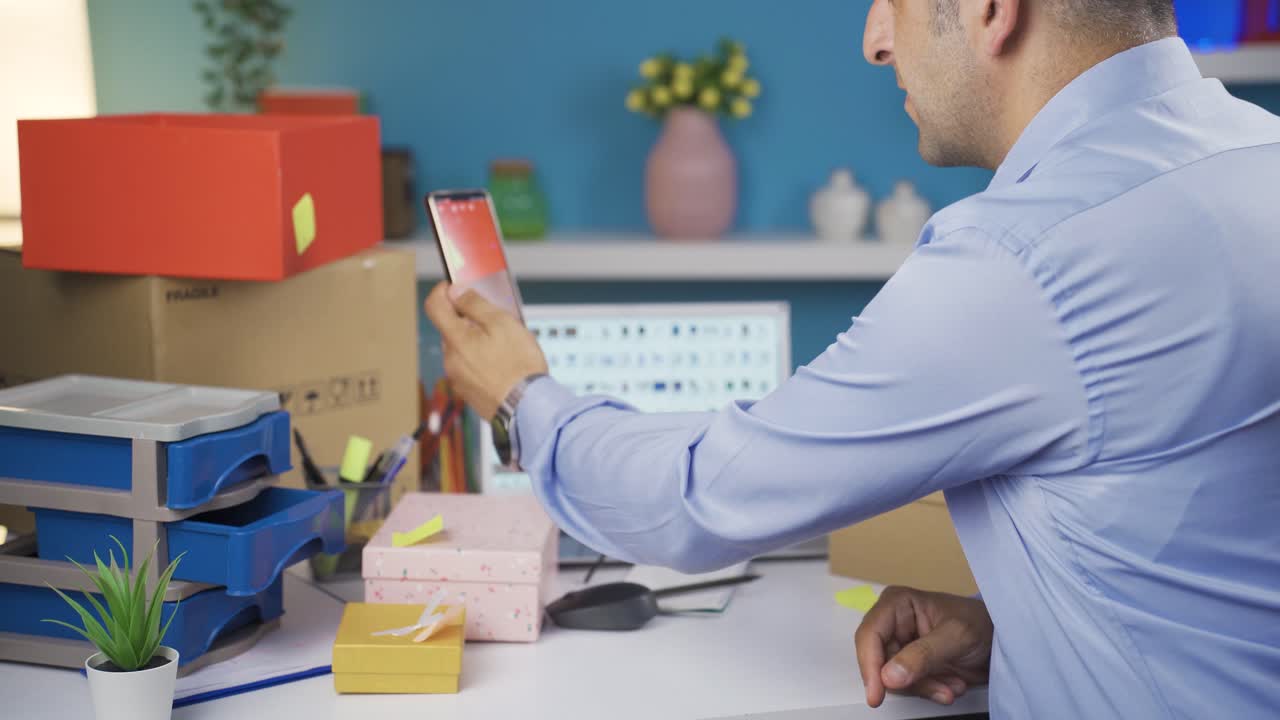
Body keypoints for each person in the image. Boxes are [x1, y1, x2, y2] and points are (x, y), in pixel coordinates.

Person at [425, 0, 1280, 716]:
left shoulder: (1024, 257)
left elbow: (698, 498)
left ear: (990, 10)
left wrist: (519, 396)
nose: (874, 38)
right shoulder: (1258, 156)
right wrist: (1012, 619)